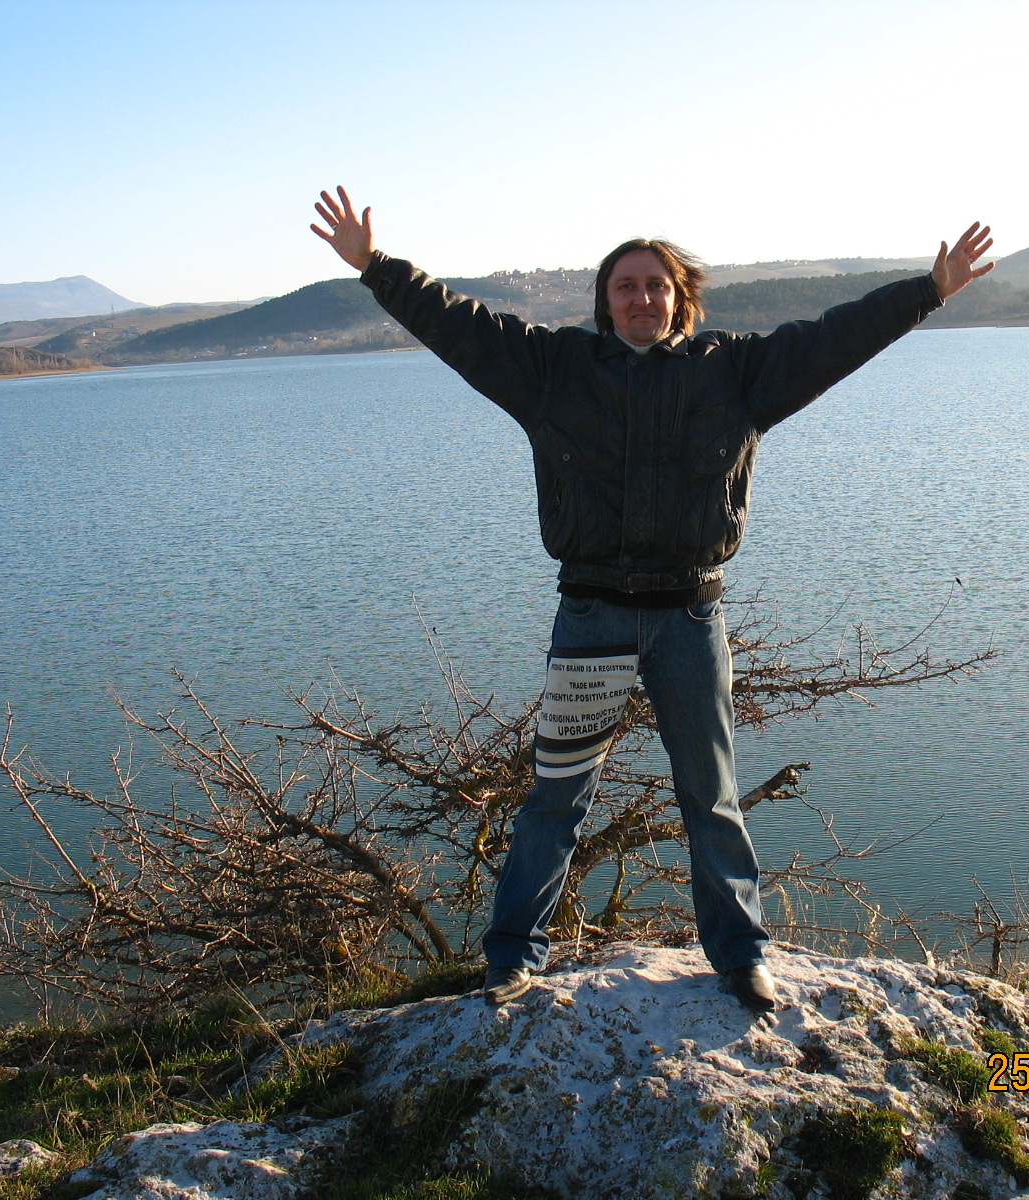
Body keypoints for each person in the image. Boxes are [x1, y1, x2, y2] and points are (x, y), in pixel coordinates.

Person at [311, 187, 993, 1012]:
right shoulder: (553, 371)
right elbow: (459, 324)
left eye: (656, 285)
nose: (642, 298)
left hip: (689, 619)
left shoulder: (736, 374)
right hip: (591, 617)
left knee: (711, 796)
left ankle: (740, 954)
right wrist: (375, 266)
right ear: (605, 303)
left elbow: (834, 338)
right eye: (626, 286)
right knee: (557, 796)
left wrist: (928, 290)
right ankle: (512, 957)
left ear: (682, 299)